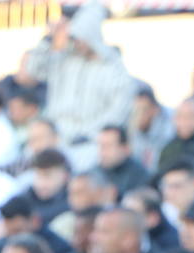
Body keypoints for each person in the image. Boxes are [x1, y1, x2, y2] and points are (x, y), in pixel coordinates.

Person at [22, 2, 135, 170]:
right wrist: (48, 39)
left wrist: (92, 134)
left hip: (90, 143)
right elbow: (33, 70)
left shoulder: (112, 69)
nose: (77, 43)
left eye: (80, 37)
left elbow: (119, 109)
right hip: (55, 138)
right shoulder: (64, 61)